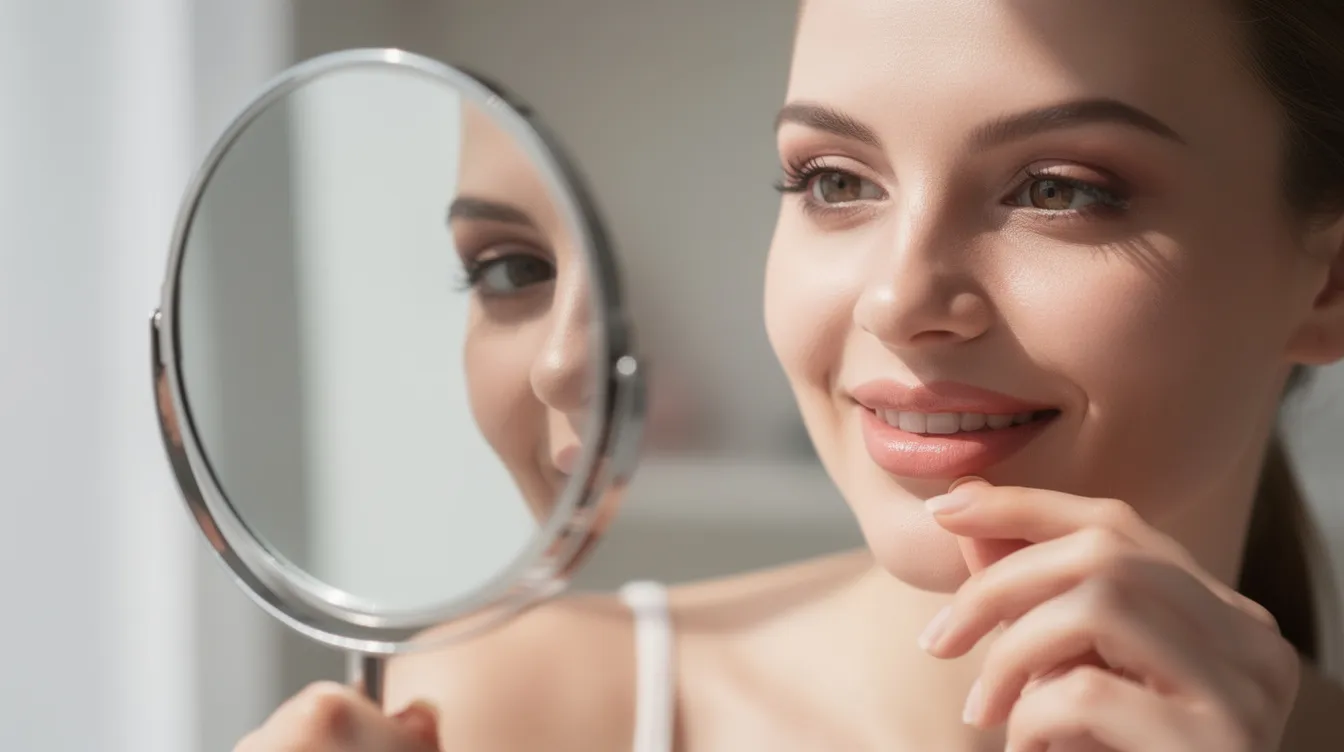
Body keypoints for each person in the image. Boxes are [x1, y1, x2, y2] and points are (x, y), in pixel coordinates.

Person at [236, 0, 1344, 749]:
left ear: (1329, 282)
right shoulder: (523, 710)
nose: (895, 297)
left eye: (1058, 188)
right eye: (833, 179)